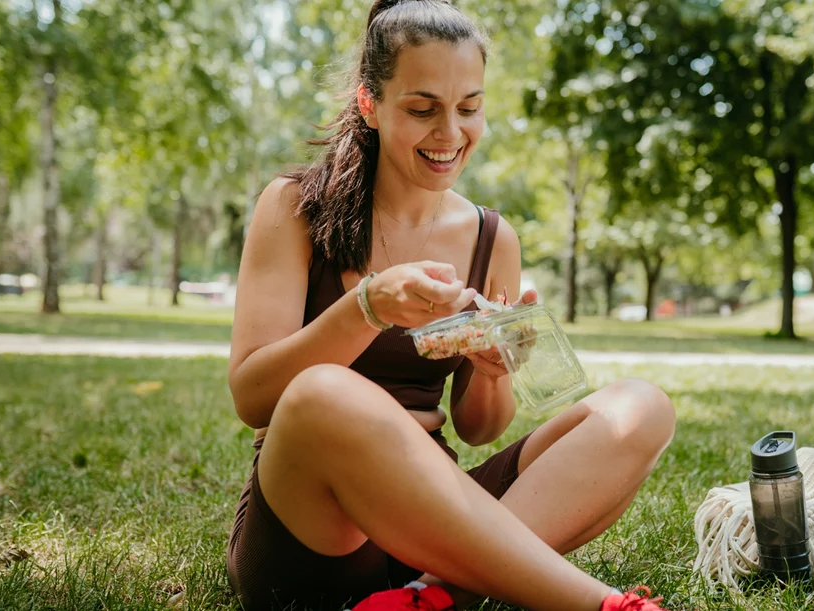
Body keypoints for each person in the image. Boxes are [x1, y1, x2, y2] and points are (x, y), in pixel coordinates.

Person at [224, 1, 678, 609]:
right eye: (422, 109)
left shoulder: (494, 237)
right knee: (322, 393)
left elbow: (477, 426)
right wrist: (367, 307)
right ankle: (599, 604)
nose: (450, 134)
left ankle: (430, 597)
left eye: (469, 108)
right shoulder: (293, 207)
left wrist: (494, 371)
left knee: (639, 408)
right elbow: (253, 396)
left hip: (434, 520)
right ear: (370, 104)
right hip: (317, 531)